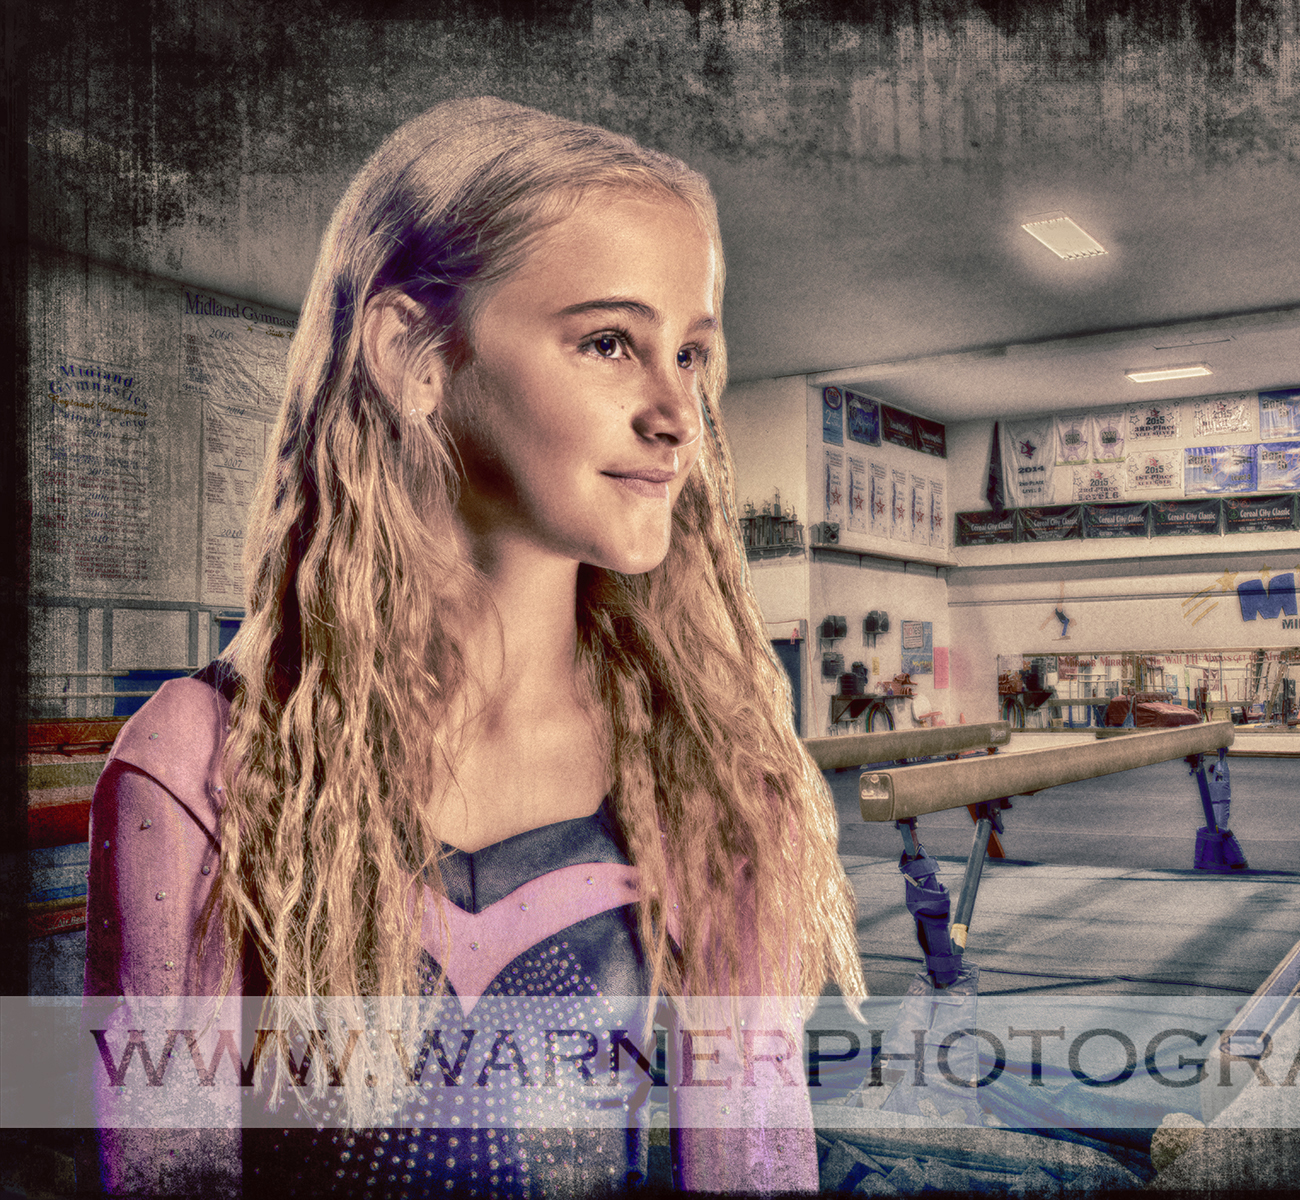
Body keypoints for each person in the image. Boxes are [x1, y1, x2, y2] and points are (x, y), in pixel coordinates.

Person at [85, 96, 864, 1195]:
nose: (678, 414)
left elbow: (755, 1170)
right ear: (414, 352)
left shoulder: (714, 778)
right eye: (609, 342)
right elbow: (171, 1175)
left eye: (692, 355)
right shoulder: (202, 761)